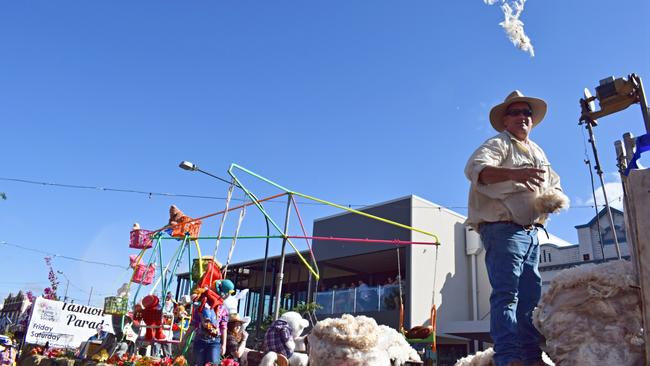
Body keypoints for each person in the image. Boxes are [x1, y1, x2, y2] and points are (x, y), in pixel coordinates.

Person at [465, 90, 562, 366]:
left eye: (527, 113)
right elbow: (477, 170)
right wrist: (514, 174)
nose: (522, 117)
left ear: (532, 121)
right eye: (515, 112)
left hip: (531, 233)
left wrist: (553, 199)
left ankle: (531, 357)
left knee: (530, 299)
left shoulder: (538, 152)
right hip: (503, 229)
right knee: (507, 294)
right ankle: (508, 357)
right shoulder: (498, 144)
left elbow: (554, 183)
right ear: (505, 121)